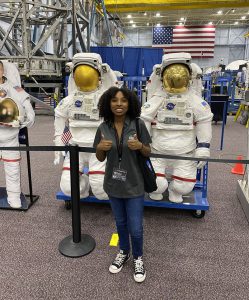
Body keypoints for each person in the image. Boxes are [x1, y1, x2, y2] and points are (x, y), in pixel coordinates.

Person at [94, 87, 151, 283]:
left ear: (130, 103)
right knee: (120, 223)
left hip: (134, 185)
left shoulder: (138, 124)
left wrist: (140, 147)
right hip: (113, 185)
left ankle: (138, 257)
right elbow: (100, 157)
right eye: (115, 100)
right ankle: (124, 252)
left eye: (124, 100)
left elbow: (148, 152)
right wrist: (100, 148)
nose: (119, 104)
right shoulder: (103, 128)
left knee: (135, 227)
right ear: (107, 104)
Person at [141, 52, 213, 203]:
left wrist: (203, 147)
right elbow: (144, 118)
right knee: (155, 186)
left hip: (185, 152)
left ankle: (175, 190)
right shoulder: (157, 98)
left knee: (184, 187)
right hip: (157, 150)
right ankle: (160, 188)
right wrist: (144, 144)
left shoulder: (194, 101)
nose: (176, 78)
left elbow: (204, 120)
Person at [54, 53, 117, 200]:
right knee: (69, 188)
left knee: (102, 192)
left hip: (99, 148)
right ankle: (84, 185)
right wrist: (59, 146)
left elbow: (118, 120)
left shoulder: (106, 99)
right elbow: (59, 118)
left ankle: (97, 180)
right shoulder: (69, 100)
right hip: (75, 147)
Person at [0, 60, 35, 208]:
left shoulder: (14, 88)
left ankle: (14, 196)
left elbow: (26, 104)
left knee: (12, 169)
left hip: (10, 136)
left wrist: (29, 116)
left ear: (3, 71)